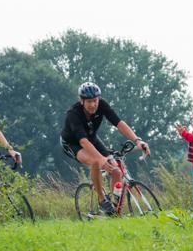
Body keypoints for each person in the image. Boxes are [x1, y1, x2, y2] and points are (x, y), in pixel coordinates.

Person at [60, 82, 150, 215]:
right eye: (89, 101)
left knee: (116, 171)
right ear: (82, 101)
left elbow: (119, 123)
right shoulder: (73, 114)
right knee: (96, 162)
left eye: (95, 101)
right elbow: (83, 142)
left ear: (99, 99)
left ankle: (115, 211)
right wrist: (101, 159)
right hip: (73, 143)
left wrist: (137, 140)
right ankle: (102, 200)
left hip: (92, 139)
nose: (93, 105)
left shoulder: (102, 105)